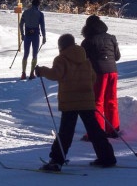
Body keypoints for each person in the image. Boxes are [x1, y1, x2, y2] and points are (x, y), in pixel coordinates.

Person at [36, 34, 116, 171]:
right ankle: (107, 158)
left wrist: (42, 71)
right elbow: (93, 78)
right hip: (86, 101)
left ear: (61, 46)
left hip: (70, 102)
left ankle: (56, 161)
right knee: (95, 130)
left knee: (66, 133)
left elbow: (56, 74)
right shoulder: (85, 59)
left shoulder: (61, 59)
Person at [80, 15, 121, 140]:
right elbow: (117, 56)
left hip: (98, 73)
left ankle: (96, 132)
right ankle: (113, 130)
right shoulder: (111, 38)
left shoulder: (88, 41)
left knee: (97, 102)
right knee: (111, 100)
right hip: (113, 71)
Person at [19, 0, 46, 80]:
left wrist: (22, 34)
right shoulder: (40, 14)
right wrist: (44, 36)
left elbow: (21, 24)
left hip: (27, 35)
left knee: (26, 54)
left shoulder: (25, 12)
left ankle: (23, 73)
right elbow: (42, 26)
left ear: (32, 4)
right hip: (35, 36)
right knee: (34, 54)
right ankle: (31, 73)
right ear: (38, 5)